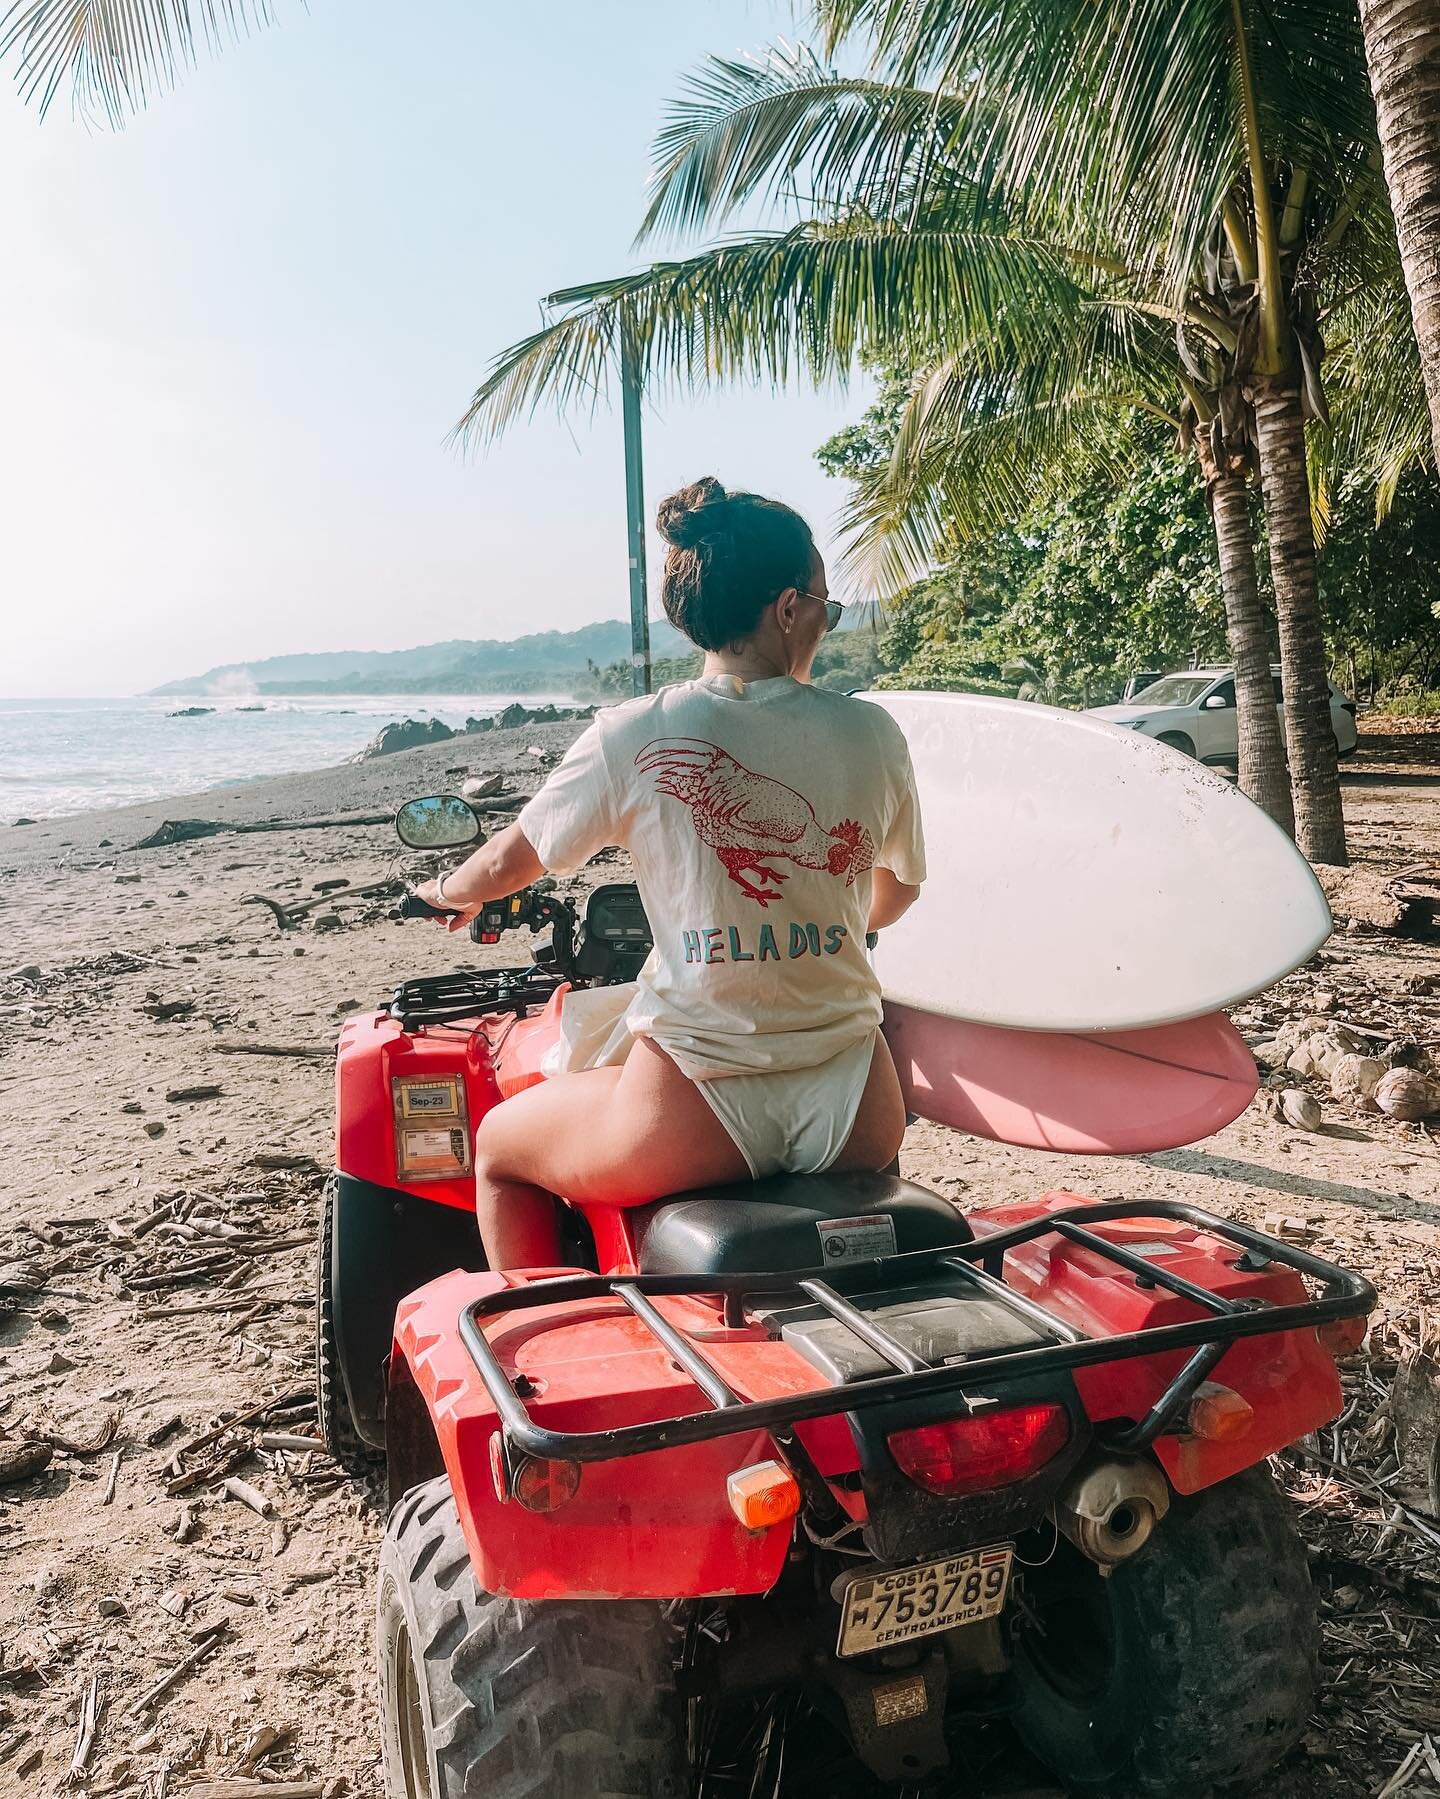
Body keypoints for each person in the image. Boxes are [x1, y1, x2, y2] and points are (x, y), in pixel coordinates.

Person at [414, 476, 925, 1268]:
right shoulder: (873, 733)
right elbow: (889, 900)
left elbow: (509, 861)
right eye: (827, 602)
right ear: (788, 608)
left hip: (691, 1106)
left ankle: (545, 1344)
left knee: (498, 1147)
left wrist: (445, 891)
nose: (827, 618)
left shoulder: (636, 733)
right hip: (858, 1104)